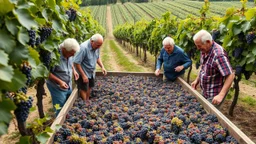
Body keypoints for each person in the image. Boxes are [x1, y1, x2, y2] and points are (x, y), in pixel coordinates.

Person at [191, 29, 235, 107]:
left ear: (208, 42)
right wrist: (197, 80)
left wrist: (221, 95)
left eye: (199, 46)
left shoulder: (218, 55)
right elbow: (203, 67)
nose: (198, 48)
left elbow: (230, 75)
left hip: (214, 95)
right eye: (196, 46)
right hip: (205, 91)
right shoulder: (204, 50)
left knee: (208, 117)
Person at [46, 38, 80, 116]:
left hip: (68, 84)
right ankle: (59, 125)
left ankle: (67, 120)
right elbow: (46, 73)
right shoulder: (54, 57)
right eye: (71, 53)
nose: (73, 55)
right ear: (64, 49)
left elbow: (71, 63)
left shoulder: (70, 53)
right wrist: (60, 82)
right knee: (60, 109)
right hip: (57, 87)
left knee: (69, 105)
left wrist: (74, 71)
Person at [73, 34, 107, 102]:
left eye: (100, 45)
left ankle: (87, 100)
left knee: (90, 86)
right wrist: (83, 75)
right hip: (83, 72)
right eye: (98, 45)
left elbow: (97, 57)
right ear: (92, 41)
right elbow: (76, 63)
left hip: (91, 72)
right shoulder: (83, 48)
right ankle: (85, 103)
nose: (99, 47)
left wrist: (102, 67)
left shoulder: (96, 47)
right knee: (83, 88)